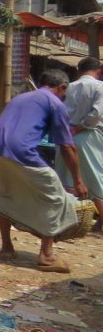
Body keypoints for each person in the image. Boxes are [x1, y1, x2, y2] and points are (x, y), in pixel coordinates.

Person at [0, 69, 89, 273]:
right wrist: (78, 180)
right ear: (62, 87)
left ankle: (6, 248)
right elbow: (67, 147)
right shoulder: (55, 102)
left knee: (6, 195)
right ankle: (47, 255)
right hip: (20, 150)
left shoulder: (21, 97)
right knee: (55, 197)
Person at [56, 57, 103, 229]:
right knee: (96, 177)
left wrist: (70, 129)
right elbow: (96, 115)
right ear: (98, 71)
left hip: (66, 136)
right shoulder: (100, 87)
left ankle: (70, 221)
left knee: (67, 177)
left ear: (78, 70)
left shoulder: (69, 87)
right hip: (90, 135)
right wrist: (81, 127)